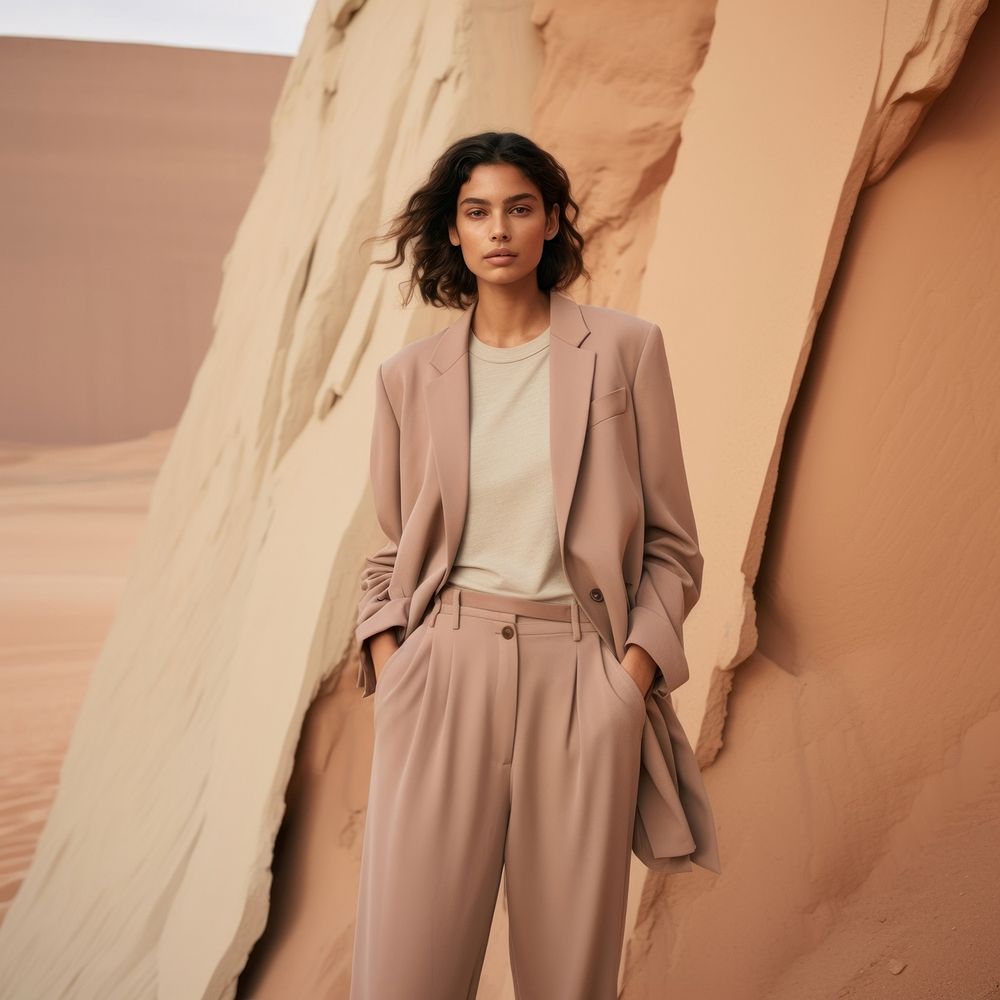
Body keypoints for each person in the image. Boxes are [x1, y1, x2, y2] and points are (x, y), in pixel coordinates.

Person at [350, 131, 719, 1000]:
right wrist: (390, 662)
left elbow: (671, 543)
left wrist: (626, 682)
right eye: (476, 212)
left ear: (551, 222)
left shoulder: (624, 349)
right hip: (442, 672)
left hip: (581, 680)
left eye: (520, 207)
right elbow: (391, 549)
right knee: (407, 972)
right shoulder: (410, 377)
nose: (499, 229)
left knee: (568, 978)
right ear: (452, 232)